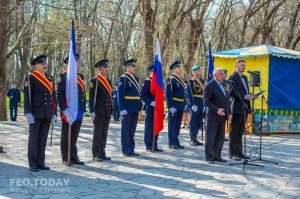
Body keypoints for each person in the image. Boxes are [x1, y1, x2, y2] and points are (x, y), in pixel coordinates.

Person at [24, 55, 57, 172]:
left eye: (45, 63)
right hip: (35, 113)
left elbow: (53, 96)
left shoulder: (50, 78)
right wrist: (28, 113)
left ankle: (40, 162)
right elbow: (27, 97)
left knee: (43, 138)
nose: (45, 65)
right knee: (33, 139)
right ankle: (32, 163)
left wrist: (54, 112)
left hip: (47, 113)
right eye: (42, 64)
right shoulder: (31, 77)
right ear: (36, 65)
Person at [57, 54, 85, 166]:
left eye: (78, 62)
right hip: (68, 110)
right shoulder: (63, 77)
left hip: (78, 110)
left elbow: (82, 94)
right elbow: (59, 95)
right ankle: (65, 157)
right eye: (76, 62)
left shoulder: (80, 77)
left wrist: (83, 110)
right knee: (66, 135)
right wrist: (64, 110)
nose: (78, 64)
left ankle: (73, 156)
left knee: (74, 135)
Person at [228, 59, 255, 160]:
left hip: (244, 107)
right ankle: (232, 153)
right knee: (234, 131)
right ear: (236, 65)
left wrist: (250, 96)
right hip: (236, 107)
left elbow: (245, 91)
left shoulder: (245, 77)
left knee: (240, 132)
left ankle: (239, 152)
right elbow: (232, 92)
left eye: (244, 65)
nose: (244, 67)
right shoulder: (232, 77)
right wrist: (245, 96)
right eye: (242, 65)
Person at [203, 68, 230, 164]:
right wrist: (216, 110)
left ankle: (217, 155)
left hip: (222, 116)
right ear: (215, 75)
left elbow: (226, 100)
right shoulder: (210, 85)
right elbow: (206, 101)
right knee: (210, 137)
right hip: (212, 116)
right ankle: (209, 157)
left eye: (224, 74)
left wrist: (228, 113)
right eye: (222, 74)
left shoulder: (223, 85)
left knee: (220, 137)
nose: (224, 76)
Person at [117, 58, 142, 157]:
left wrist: (140, 106)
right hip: (127, 108)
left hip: (135, 107)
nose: (134, 68)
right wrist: (122, 108)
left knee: (132, 129)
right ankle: (126, 150)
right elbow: (120, 95)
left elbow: (137, 94)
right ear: (127, 68)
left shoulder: (136, 78)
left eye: (135, 66)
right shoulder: (123, 78)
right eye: (132, 66)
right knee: (126, 130)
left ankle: (131, 149)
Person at [89, 59, 112, 162]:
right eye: (105, 67)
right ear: (99, 68)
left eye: (107, 67)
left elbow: (110, 97)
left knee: (104, 133)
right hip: (98, 111)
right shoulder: (94, 81)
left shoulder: (108, 81)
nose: (107, 69)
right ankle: (96, 154)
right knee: (97, 133)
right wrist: (92, 111)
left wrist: (111, 109)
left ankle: (102, 152)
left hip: (107, 111)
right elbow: (91, 97)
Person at [141, 64, 163, 152]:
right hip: (150, 107)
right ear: (151, 72)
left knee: (156, 125)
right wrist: (151, 102)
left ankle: (155, 144)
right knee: (149, 126)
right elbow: (143, 95)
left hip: (157, 107)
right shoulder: (147, 81)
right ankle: (149, 145)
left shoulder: (159, 82)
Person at [166, 60, 186, 149]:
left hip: (180, 104)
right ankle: (171, 142)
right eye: (178, 68)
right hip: (174, 104)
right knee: (172, 124)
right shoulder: (171, 79)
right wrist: (170, 106)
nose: (180, 69)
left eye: (180, 67)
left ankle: (176, 141)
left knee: (178, 124)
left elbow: (183, 93)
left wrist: (184, 103)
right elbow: (168, 94)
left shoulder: (180, 80)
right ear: (174, 69)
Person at [187, 65, 204, 146]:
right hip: (194, 102)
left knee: (199, 121)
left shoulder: (202, 81)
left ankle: (196, 138)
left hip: (201, 102)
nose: (200, 72)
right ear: (194, 72)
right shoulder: (191, 81)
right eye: (199, 70)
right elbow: (189, 94)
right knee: (193, 121)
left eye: (200, 70)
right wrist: (192, 104)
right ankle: (192, 139)